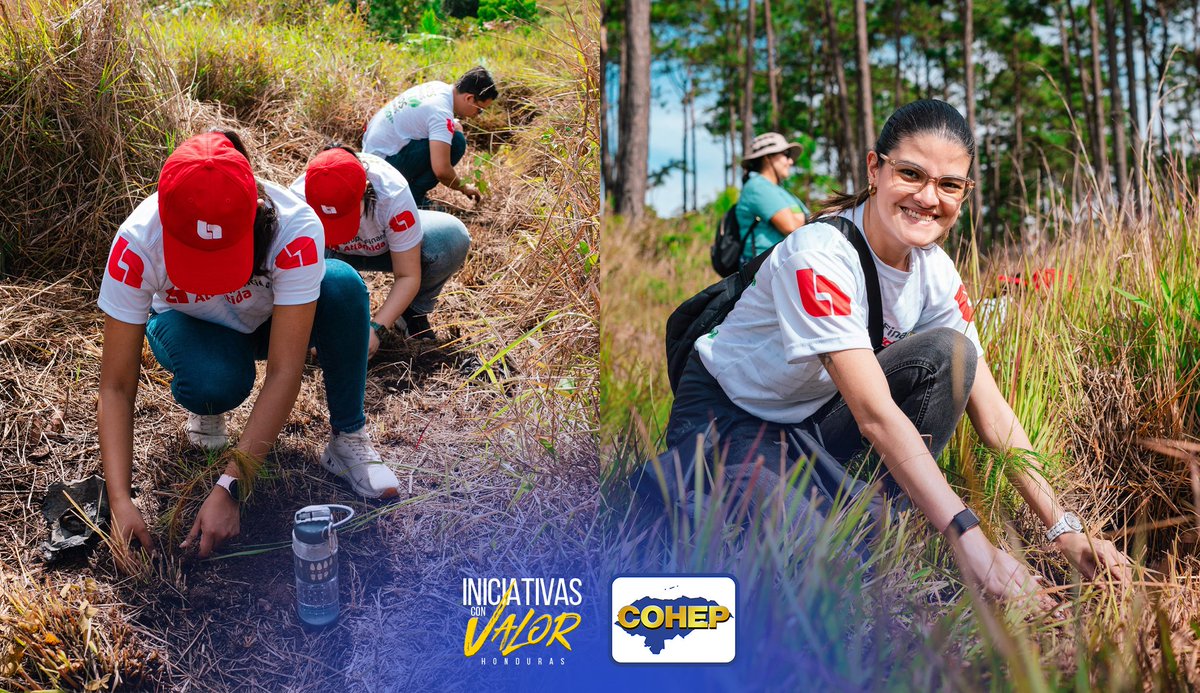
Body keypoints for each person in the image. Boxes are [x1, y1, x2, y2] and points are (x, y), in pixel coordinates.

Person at [664, 100, 1131, 603]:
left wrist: (1064, 529)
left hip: (812, 416)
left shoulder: (934, 270)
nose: (929, 198)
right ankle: (722, 496)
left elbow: (992, 408)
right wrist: (968, 540)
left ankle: (879, 514)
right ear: (875, 168)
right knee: (831, 570)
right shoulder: (818, 255)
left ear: (965, 192)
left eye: (950, 185)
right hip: (735, 419)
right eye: (911, 173)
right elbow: (875, 414)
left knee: (951, 355)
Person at [98, 131, 401, 562]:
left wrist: (231, 485)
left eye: (222, 255)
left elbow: (284, 370)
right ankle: (207, 404)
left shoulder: (294, 227)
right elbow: (116, 385)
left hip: (266, 321)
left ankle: (348, 438)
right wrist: (120, 500)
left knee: (342, 286)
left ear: (255, 212)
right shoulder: (137, 243)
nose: (211, 280)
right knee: (214, 382)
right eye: (195, 259)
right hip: (192, 325)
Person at [291, 144, 471, 343]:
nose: (337, 228)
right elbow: (296, 277)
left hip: (389, 247)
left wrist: (377, 329)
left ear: (366, 189)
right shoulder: (298, 199)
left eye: (346, 216)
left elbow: (407, 275)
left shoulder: (391, 193)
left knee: (451, 237)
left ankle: (411, 313)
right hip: (333, 257)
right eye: (327, 221)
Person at [362, 65, 499, 209]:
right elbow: (441, 170)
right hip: (382, 170)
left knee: (452, 132)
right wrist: (464, 187)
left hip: (371, 158)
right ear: (469, 98)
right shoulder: (440, 112)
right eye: (480, 110)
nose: (477, 115)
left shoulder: (438, 88)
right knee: (457, 143)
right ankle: (414, 199)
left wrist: (451, 125)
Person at [735, 132, 812, 262]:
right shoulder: (757, 187)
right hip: (763, 273)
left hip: (781, 266)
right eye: (786, 155)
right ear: (768, 158)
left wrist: (801, 219)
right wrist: (802, 218)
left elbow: (805, 221)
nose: (791, 161)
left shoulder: (778, 190)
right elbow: (792, 226)